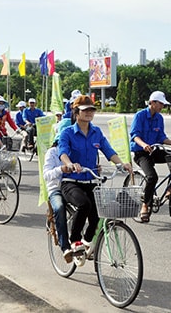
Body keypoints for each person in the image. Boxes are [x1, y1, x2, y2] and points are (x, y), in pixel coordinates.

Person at [58, 95, 132, 256]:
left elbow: (108, 150)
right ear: (76, 112)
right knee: (84, 204)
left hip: (91, 180)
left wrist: (121, 164)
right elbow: (62, 152)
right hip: (72, 181)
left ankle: (86, 241)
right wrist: (69, 163)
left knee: (99, 212)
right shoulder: (67, 133)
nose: (89, 113)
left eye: (91, 110)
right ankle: (74, 240)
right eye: (85, 110)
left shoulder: (96, 132)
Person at [129, 91, 171, 223]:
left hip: (154, 150)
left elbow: (162, 137)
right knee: (152, 177)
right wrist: (144, 145)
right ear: (152, 103)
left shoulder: (159, 118)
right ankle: (145, 205)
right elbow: (135, 135)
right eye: (160, 104)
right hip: (141, 152)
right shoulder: (140, 116)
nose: (162, 107)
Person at [43, 118, 73, 263]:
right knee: (60, 208)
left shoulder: (75, 150)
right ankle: (65, 246)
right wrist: (60, 169)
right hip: (56, 189)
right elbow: (46, 175)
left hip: (73, 186)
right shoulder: (52, 152)